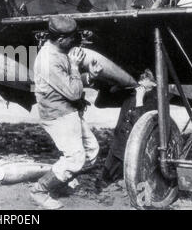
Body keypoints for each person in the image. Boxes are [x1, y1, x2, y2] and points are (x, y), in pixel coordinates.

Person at [31, 16, 103, 209]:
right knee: (75, 158)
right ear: (61, 39)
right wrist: (74, 65)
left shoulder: (59, 51)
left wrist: (89, 77)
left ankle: (59, 183)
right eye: (72, 37)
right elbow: (73, 92)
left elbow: (69, 81)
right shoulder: (48, 60)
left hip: (68, 111)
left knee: (92, 152)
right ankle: (39, 191)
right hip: (57, 114)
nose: (76, 40)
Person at [98, 69, 157, 187]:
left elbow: (142, 125)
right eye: (141, 77)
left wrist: (140, 100)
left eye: (146, 78)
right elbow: (100, 103)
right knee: (102, 181)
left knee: (131, 182)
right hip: (117, 145)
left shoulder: (155, 101)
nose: (141, 80)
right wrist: (105, 84)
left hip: (134, 148)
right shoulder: (130, 95)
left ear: (154, 83)